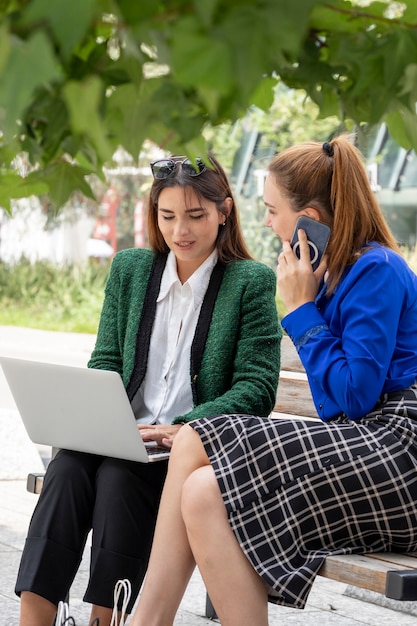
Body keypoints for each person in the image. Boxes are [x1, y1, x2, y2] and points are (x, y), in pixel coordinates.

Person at [128, 135, 417, 626]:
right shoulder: (329, 274)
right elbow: (336, 409)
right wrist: (311, 300)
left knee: (198, 434)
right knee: (200, 493)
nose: (265, 222)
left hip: (400, 453)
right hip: (365, 447)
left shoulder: (376, 271)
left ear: (311, 220)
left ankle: (146, 622)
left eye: (271, 209)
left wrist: (303, 311)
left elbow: (355, 398)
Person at [15, 154, 282, 626]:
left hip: (182, 454)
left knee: (120, 476)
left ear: (224, 211)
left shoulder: (249, 282)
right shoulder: (131, 270)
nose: (181, 230)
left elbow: (257, 388)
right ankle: (31, 619)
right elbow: (106, 363)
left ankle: (107, 620)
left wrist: (182, 429)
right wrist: (100, 418)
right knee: (67, 470)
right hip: (122, 436)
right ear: (154, 216)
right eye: (168, 216)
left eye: (196, 215)